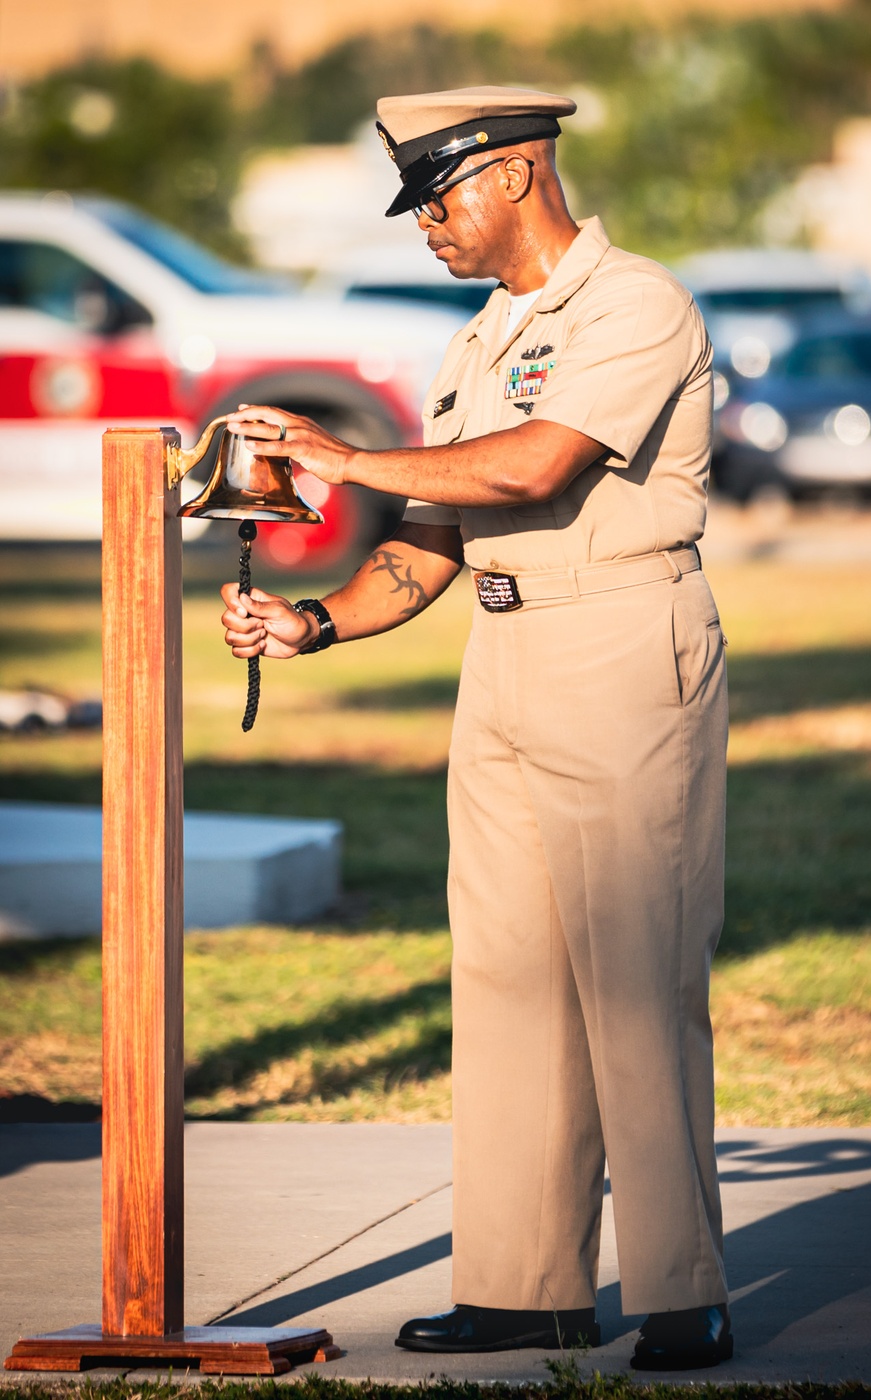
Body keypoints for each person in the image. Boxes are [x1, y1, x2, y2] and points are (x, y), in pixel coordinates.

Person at [219, 86, 732, 1372]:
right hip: (502, 655)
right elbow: (432, 540)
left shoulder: (636, 304)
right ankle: (526, 1284)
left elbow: (530, 468)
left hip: (622, 645)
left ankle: (683, 1291)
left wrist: (339, 457)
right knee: (506, 979)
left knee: (634, 975)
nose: (428, 227)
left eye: (438, 198)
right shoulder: (481, 339)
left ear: (510, 174)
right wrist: (316, 625)